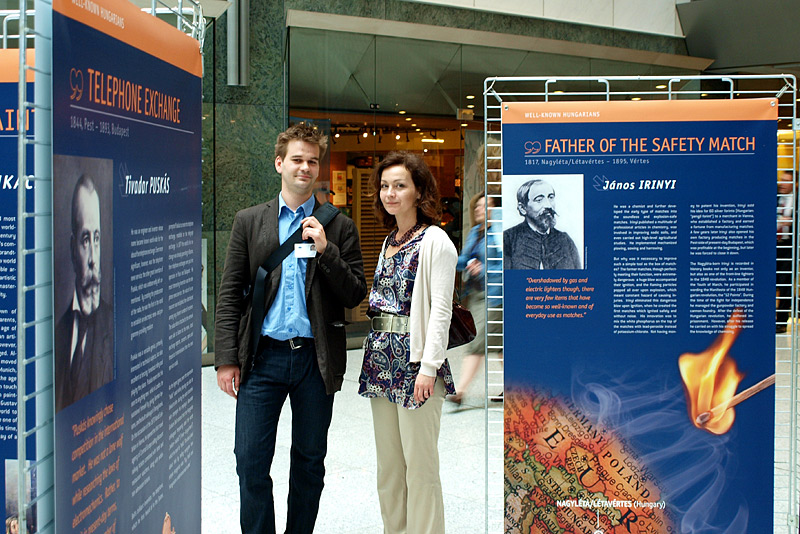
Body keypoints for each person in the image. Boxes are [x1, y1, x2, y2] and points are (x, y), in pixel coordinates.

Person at [214, 123, 367, 534]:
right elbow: (230, 294)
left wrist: (326, 252)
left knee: (309, 462)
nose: (305, 168)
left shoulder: (339, 226)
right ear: (279, 163)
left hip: (315, 362)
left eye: (312, 161)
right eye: (297, 159)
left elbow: (355, 294)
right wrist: (226, 358)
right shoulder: (249, 221)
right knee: (249, 461)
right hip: (263, 358)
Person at [358, 151, 457, 534]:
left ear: (419, 191)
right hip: (381, 362)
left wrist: (429, 367)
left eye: (399, 185)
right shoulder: (389, 241)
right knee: (389, 468)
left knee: (420, 468)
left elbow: (440, 311)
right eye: (385, 186)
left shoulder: (436, 241)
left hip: (416, 365)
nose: (390, 193)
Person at [54, 174, 114, 412]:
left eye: (96, 239)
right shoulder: (59, 334)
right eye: (85, 240)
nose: (93, 259)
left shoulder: (114, 325)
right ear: (72, 248)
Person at [449, 191, 501, 404]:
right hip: (476, 295)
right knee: (500, 347)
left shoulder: (500, 233)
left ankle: (460, 392)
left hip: (495, 296)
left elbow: (506, 264)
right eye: (478, 206)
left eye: (485, 205)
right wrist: (463, 262)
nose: (479, 209)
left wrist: (483, 268)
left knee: (477, 342)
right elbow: (463, 259)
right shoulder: (474, 232)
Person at [504, 178, 581, 270]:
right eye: (539, 200)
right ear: (522, 208)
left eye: (551, 197)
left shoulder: (565, 240)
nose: (548, 205)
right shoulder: (509, 239)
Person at [777, 170, 794, 333]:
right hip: (772, 246)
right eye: (782, 180)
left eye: (786, 181)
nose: (782, 183)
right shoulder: (774, 196)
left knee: (785, 284)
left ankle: (781, 322)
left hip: (788, 246)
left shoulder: (797, 200)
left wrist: (792, 222)